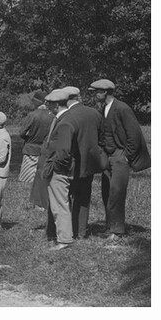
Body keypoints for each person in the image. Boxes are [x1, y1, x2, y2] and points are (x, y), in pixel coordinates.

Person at [90, 78, 150, 238]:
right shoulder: (103, 109)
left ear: (105, 92)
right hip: (107, 157)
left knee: (116, 192)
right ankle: (110, 226)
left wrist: (127, 157)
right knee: (106, 192)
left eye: (96, 92)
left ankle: (117, 230)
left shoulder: (122, 108)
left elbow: (134, 135)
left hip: (119, 156)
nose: (94, 95)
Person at [62, 85, 105, 239]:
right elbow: (102, 137)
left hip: (70, 164)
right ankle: (81, 231)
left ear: (65, 99)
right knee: (83, 198)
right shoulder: (94, 113)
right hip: (90, 163)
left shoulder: (66, 115)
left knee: (65, 198)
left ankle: (67, 230)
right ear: (78, 96)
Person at [42, 89, 75, 250]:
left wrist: (56, 167)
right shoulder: (63, 119)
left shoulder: (65, 122)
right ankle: (63, 236)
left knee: (60, 204)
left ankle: (64, 239)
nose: (48, 106)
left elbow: (64, 150)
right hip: (58, 167)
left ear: (56, 105)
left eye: (49, 103)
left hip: (59, 169)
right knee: (57, 203)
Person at [17, 91, 53, 185]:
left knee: (27, 180)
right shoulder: (52, 116)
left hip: (31, 149)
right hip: (46, 148)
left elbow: (22, 132)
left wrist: (28, 138)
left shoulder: (32, 115)